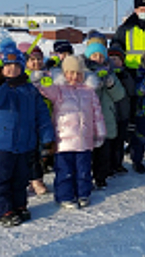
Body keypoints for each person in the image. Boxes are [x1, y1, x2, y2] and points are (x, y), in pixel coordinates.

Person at [0, 39, 54, 227]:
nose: (12, 69)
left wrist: (47, 136)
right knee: (0, 178)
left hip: (25, 144)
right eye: (7, 65)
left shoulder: (29, 89)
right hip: (1, 143)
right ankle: (2, 210)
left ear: (22, 67)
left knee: (20, 178)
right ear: (1, 69)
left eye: (16, 65)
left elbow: (42, 114)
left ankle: (18, 205)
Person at [35, 55, 106, 209]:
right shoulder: (59, 90)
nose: (74, 77)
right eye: (70, 73)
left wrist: (99, 132)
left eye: (78, 73)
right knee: (64, 171)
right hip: (64, 141)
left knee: (83, 170)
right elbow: (45, 90)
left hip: (84, 140)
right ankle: (65, 196)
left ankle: (83, 194)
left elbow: (97, 114)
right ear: (64, 74)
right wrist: (39, 78)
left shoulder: (89, 91)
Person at [84, 42, 126, 189]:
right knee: (88, 152)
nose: (98, 58)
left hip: (106, 117)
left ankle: (101, 177)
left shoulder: (110, 72)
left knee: (104, 151)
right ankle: (85, 178)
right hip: (88, 118)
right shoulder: (83, 72)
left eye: (101, 56)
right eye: (94, 55)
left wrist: (110, 83)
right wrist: (93, 84)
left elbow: (120, 95)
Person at [17, 42, 53, 196]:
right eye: (32, 60)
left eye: (39, 59)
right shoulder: (21, 77)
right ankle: (34, 181)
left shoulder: (48, 75)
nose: (37, 62)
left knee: (42, 152)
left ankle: (35, 179)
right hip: (28, 121)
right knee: (30, 153)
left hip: (45, 118)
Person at [108, 45, 135, 174]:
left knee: (120, 141)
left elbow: (131, 91)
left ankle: (118, 163)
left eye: (117, 59)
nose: (114, 62)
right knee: (109, 142)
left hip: (123, 113)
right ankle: (109, 165)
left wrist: (123, 76)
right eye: (111, 58)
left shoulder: (126, 74)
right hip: (109, 113)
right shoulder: (106, 74)